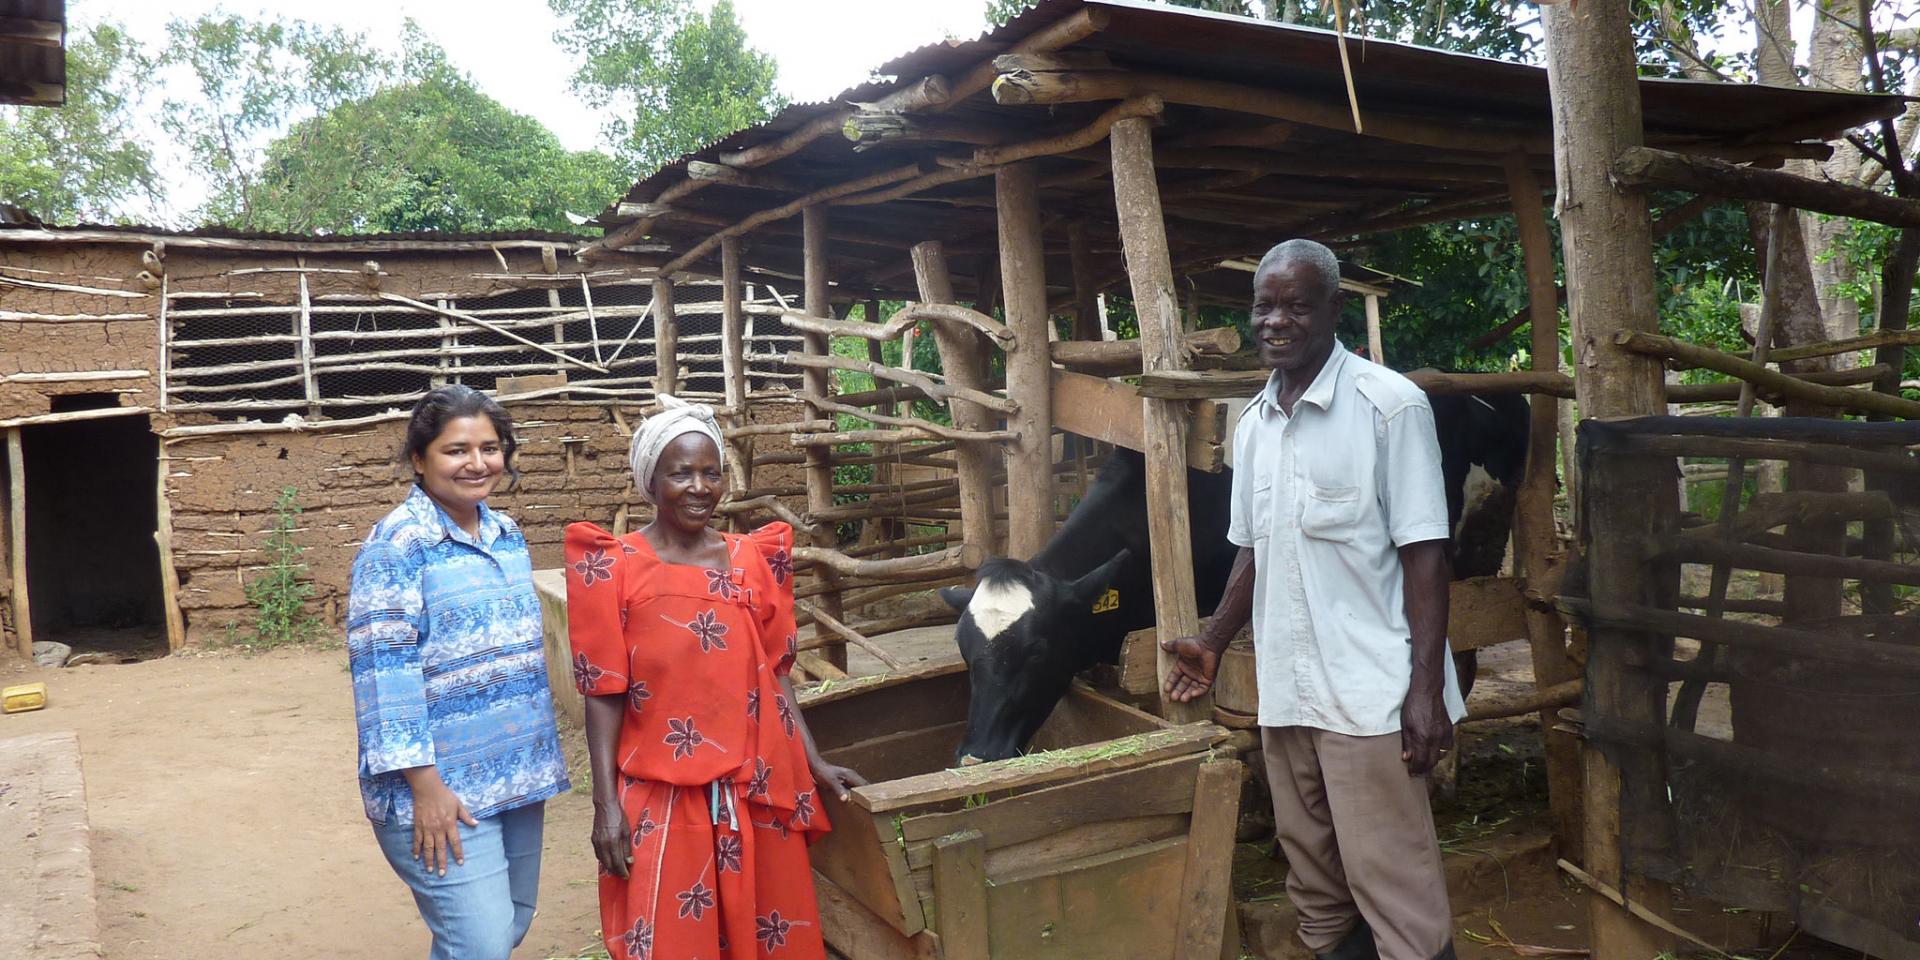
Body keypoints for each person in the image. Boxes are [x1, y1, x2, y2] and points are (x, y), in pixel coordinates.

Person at [1163, 239, 1464, 960]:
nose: (1276, 321)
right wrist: (1213, 640)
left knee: (1397, 895)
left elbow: (1426, 553)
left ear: (1334, 309)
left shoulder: (1388, 406)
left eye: (1296, 306)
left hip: (1370, 697)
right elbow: (1254, 549)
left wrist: (1424, 692)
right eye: (1265, 306)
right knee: (1318, 897)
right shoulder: (1254, 423)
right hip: (1289, 694)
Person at [565, 394, 865, 960]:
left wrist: (813, 759)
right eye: (681, 474)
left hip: (753, 789)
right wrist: (606, 806)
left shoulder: (752, 558)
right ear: (649, 481)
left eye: (711, 472)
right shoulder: (615, 566)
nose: (699, 487)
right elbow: (603, 692)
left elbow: (775, 676)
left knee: (764, 937)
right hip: (663, 795)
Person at [346, 385, 571, 960]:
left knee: (510, 924)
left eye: (490, 448)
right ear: (419, 460)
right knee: (482, 942)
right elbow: (383, 678)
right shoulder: (397, 547)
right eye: (456, 450)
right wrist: (426, 789)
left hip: (515, 774)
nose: (477, 464)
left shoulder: (507, 536)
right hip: (442, 789)